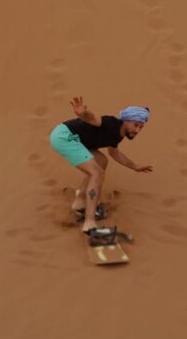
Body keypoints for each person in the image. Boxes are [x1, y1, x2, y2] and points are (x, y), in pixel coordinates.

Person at [49, 97, 153, 235]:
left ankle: (79, 202)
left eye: (141, 127)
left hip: (76, 139)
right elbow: (93, 119)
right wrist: (82, 113)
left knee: (101, 161)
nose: (138, 130)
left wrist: (134, 166)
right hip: (65, 137)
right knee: (97, 173)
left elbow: (114, 153)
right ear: (126, 120)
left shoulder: (118, 135)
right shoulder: (112, 124)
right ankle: (89, 222)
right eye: (136, 125)